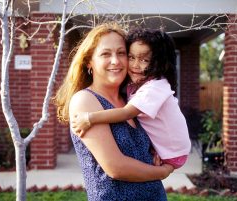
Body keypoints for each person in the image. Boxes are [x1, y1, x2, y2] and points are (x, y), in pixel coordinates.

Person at [54, 23, 173, 201]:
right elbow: (116, 167)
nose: (115, 61)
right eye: (105, 54)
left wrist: (157, 152)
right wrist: (162, 172)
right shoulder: (85, 100)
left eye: (121, 53)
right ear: (89, 62)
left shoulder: (131, 99)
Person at [71, 28, 191, 169]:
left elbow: (126, 113)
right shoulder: (134, 86)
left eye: (145, 60)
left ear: (158, 63)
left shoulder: (155, 88)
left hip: (174, 154)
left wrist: (89, 118)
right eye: (131, 57)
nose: (135, 65)